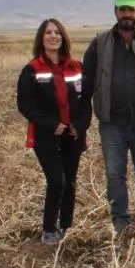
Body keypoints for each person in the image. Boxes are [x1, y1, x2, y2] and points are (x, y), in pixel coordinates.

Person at [82, 0, 135, 235]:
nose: (127, 14)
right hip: (112, 123)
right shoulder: (99, 44)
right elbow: (86, 82)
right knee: (115, 174)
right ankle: (120, 221)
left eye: (131, 9)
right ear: (116, 11)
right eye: (122, 9)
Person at [16, 18, 90, 245]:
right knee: (57, 181)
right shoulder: (32, 70)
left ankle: (66, 225)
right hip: (46, 138)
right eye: (48, 32)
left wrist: (79, 126)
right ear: (41, 38)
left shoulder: (77, 67)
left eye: (57, 32)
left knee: (70, 183)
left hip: (73, 136)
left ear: (63, 37)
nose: (53, 36)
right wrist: (50, 124)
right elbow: (25, 105)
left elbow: (86, 102)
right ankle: (49, 228)